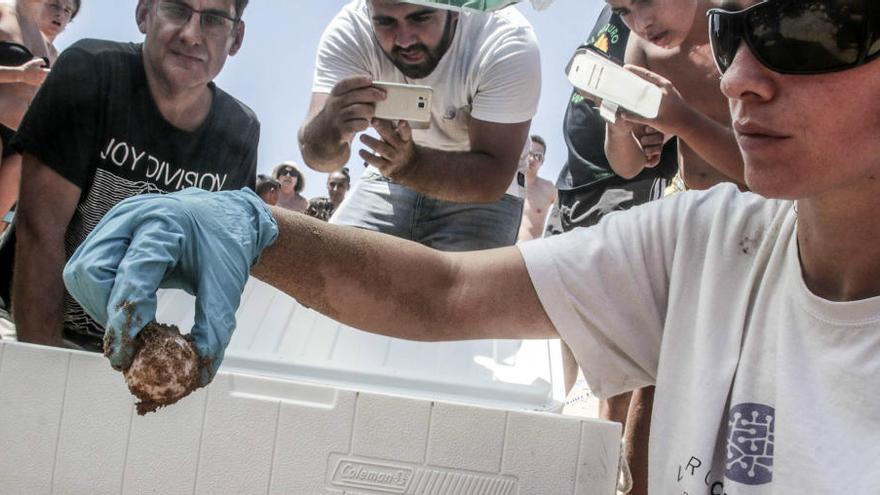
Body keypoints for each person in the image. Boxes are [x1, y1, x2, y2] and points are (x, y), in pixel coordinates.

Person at [63, 0, 880, 491]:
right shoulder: (703, 243)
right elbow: (443, 291)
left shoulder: (508, 49)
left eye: (809, 27)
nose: (739, 76)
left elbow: (489, 186)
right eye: (735, 32)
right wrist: (257, 227)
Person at [9, 0, 259, 351]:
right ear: (144, 14)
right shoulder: (90, 71)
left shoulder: (240, 131)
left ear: (236, 38)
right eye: (176, 9)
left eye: (214, 20)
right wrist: (43, 369)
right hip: (26, 327)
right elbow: (40, 232)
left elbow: (219, 270)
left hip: (137, 353)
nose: (191, 35)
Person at [544, 8, 679, 494]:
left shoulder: (683, 31)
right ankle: (579, 424)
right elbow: (583, 67)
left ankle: (610, 449)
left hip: (631, 196)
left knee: (622, 324)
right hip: (576, 184)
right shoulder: (626, 24)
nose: (632, 14)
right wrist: (616, 117)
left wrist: (671, 122)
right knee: (566, 316)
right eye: (622, 8)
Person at [298, 0, 540, 251]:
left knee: (457, 287)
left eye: (420, 17)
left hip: (475, 185)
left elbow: (492, 176)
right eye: (385, 22)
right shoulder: (352, 30)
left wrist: (411, 165)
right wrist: (329, 126)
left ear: (456, 12)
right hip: (391, 171)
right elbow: (317, 158)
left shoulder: (506, 39)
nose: (404, 40)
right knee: (329, 263)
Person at [604, 0, 746, 191]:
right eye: (623, 11)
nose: (640, 24)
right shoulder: (641, 46)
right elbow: (629, 167)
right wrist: (618, 131)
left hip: (772, 206)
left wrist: (681, 120)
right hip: (694, 203)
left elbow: (772, 170)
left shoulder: (748, 17)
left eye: (646, 1)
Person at [0, 0, 79, 233]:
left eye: (67, 11)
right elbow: (26, 78)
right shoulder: (3, 11)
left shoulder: (47, 45)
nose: (60, 14)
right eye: (56, 6)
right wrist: (19, 75)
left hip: (22, 143)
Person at [516, 135, 556, 242]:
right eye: (529, 153)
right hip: (502, 251)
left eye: (537, 156)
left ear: (542, 161)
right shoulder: (507, 183)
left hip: (529, 254)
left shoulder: (548, 189)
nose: (531, 159)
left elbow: (566, 208)